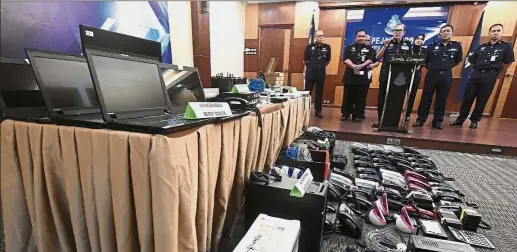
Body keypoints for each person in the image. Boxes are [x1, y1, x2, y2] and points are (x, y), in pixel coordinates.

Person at [451, 24, 515, 129]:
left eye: (498, 30)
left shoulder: (506, 46)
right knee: (468, 97)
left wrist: (496, 71)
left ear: (501, 33)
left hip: (490, 75)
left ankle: (474, 121)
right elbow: (471, 61)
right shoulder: (481, 46)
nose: (495, 33)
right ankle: (460, 119)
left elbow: (508, 62)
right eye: (493, 31)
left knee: (482, 99)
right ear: (489, 33)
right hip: (476, 74)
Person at [414, 24, 462, 129]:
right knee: (426, 97)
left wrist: (446, 67)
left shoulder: (457, 46)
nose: (445, 33)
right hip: (432, 74)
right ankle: (420, 119)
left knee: (442, 99)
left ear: (452, 33)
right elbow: (425, 61)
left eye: (448, 31)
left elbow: (458, 60)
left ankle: (437, 121)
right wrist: (433, 67)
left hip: (446, 75)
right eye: (443, 31)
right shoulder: (431, 46)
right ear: (439, 34)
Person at [374, 23, 412, 127]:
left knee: (396, 99)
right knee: (383, 98)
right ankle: (381, 122)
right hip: (387, 74)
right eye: (395, 30)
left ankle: (394, 122)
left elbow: (410, 60)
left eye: (400, 30)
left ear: (404, 32)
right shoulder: (387, 42)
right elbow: (377, 57)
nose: (397, 32)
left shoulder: (408, 44)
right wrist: (385, 45)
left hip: (400, 77)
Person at [340, 29, 375, 122]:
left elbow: (370, 60)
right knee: (348, 96)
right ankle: (345, 114)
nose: (361, 38)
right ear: (355, 37)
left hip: (363, 77)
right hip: (350, 75)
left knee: (360, 97)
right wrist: (354, 66)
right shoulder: (349, 47)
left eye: (363, 36)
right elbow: (345, 59)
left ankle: (357, 115)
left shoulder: (369, 49)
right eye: (359, 36)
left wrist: (360, 66)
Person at [304, 30, 331, 118]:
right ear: (315, 37)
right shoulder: (309, 47)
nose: (320, 38)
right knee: (307, 92)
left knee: (319, 93)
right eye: (318, 36)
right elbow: (305, 60)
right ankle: (304, 110)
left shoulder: (327, 47)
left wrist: (321, 66)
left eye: (322, 36)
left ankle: (318, 111)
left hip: (321, 73)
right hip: (310, 73)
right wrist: (311, 66)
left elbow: (328, 60)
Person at [405, 34, 427, 121]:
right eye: (417, 38)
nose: (419, 40)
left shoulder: (424, 51)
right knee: (401, 94)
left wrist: (420, 65)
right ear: (414, 39)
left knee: (412, 96)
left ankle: (407, 114)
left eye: (421, 39)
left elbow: (425, 61)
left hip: (416, 75)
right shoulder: (408, 49)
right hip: (405, 75)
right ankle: (397, 112)